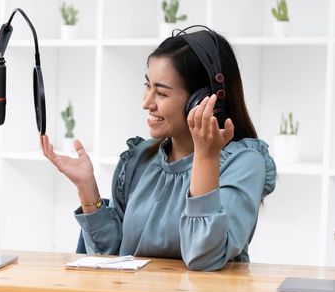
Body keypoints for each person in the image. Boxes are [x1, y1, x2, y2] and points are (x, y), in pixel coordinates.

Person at [40, 27, 276, 271]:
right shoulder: (139, 159)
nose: (146, 103)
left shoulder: (243, 163)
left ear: (204, 100)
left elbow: (204, 257)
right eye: (147, 86)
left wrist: (206, 155)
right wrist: (87, 189)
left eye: (161, 92)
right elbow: (112, 259)